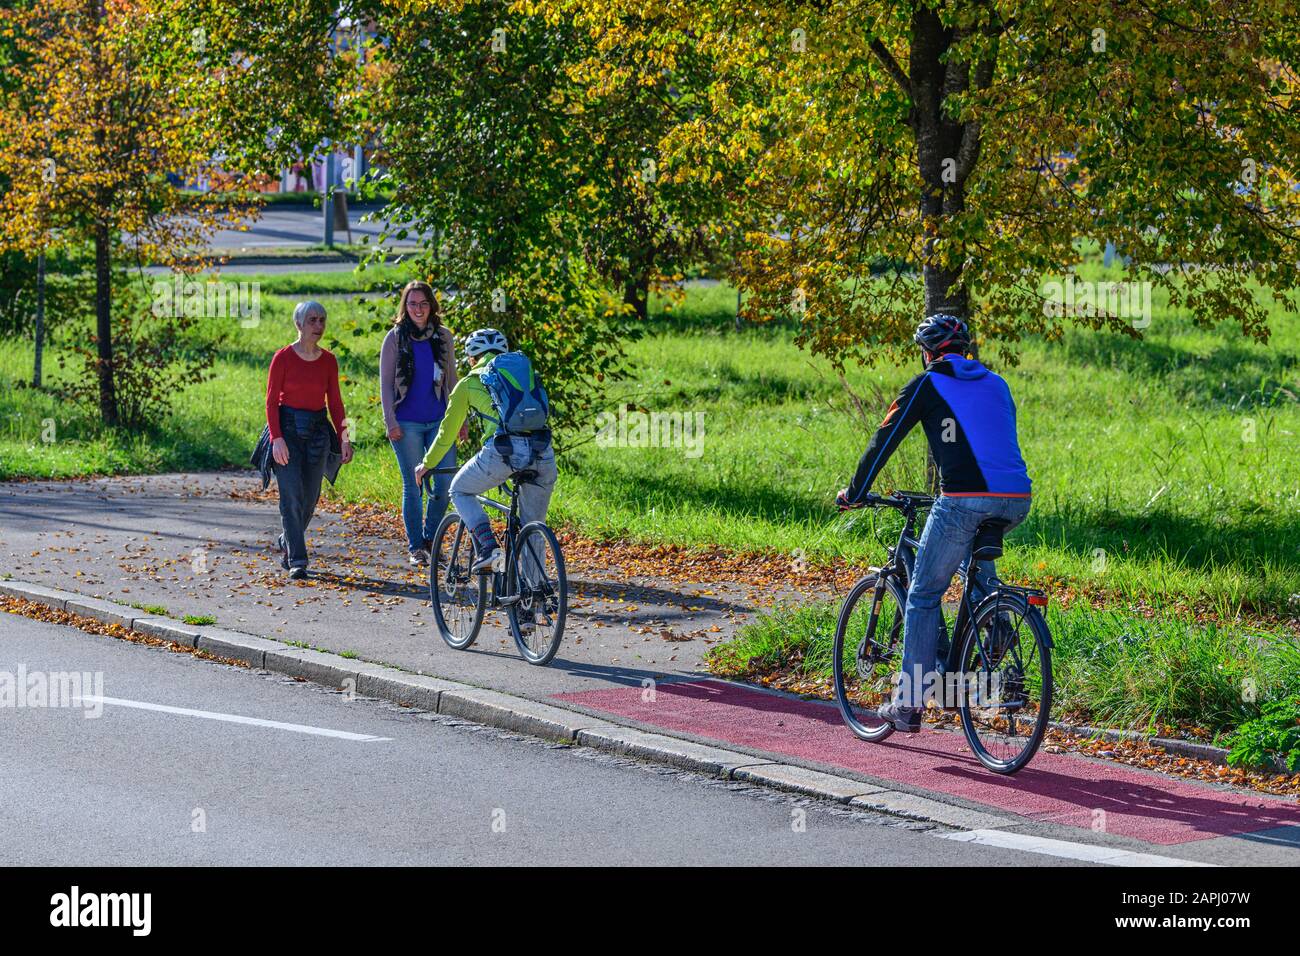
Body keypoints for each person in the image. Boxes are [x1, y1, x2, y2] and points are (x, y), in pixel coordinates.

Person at [836, 314, 1031, 732]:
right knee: (972, 565)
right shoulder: (997, 383)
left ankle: (907, 703)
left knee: (923, 594)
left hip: (963, 499)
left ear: (927, 352)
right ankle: (994, 620)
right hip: (1017, 499)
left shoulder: (926, 383)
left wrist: (854, 493)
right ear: (965, 350)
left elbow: (882, 441)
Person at [414, 328, 557, 624]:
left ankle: (488, 547)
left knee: (459, 490)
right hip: (543, 453)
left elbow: (447, 433)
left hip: (504, 452)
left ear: (471, 357)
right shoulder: (522, 372)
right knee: (533, 526)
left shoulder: (469, 383)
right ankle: (530, 606)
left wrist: (426, 464)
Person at [265, 300, 352, 580]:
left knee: (310, 498)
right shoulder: (282, 358)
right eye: (312, 320)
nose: (318, 325)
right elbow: (270, 402)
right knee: (291, 498)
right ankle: (298, 560)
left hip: (317, 432)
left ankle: (288, 539)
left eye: (322, 320)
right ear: (298, 324)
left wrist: (344, 439)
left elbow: (336, 403)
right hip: (287, 430)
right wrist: (276, 439)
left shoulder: (328, 360)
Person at [379, 281, 463, 566]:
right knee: (413, 485)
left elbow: (452, 379)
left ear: (432, 306)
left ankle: (431, 540)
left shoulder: (443, 337)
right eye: (412, 303)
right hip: (407, 422)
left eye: (423, 303)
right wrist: (390, 421)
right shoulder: (394, 338)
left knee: (444, 485)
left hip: (440, 421)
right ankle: (416, 546)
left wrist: (459, 420)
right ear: (405, 306)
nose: (418, 309)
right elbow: (386, 385)